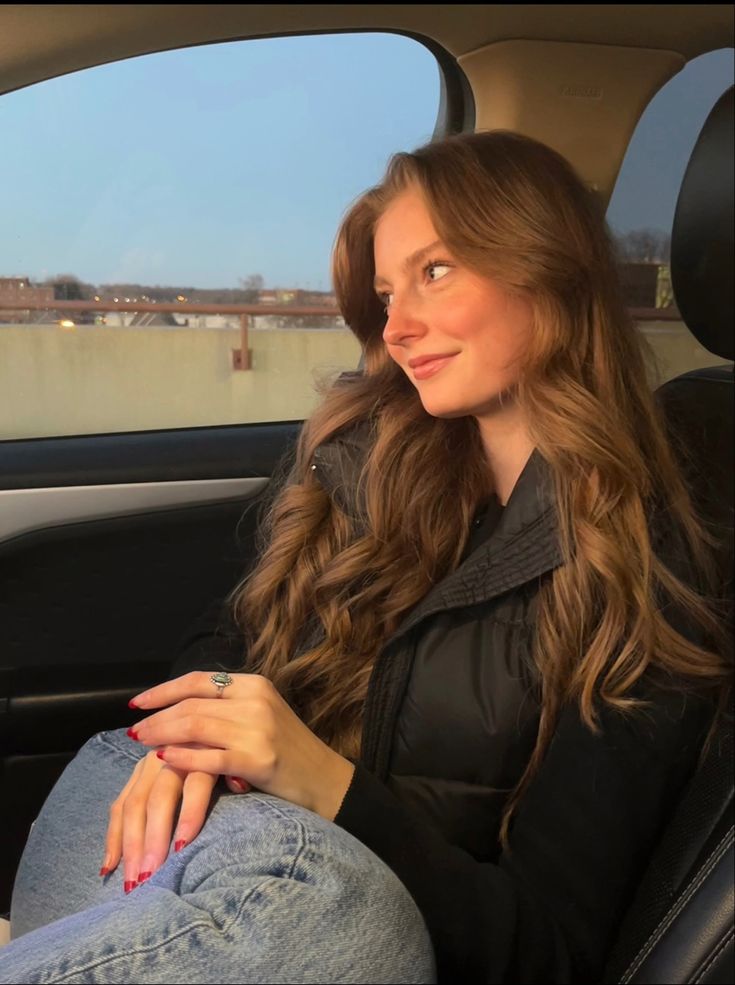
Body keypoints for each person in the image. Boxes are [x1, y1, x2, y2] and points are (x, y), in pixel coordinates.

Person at [1, 130, 731, 985]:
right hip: (190, 833)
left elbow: (546, 952)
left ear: (546, 267)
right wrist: (202, 734)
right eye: (386, 291)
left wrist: (324, 782)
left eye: (435, 272)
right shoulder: (374, 461)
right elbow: (228, 635)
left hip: (330, 915)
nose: (397, 325)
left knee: (341, 911)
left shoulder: (646, 564)